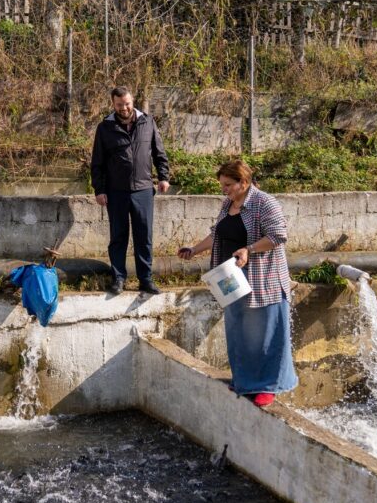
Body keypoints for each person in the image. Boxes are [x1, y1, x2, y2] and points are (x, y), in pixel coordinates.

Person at [177, 159, 297, 407]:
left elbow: (277, 236)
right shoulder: (228, 203)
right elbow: (217, 233)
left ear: (244, 182)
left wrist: (249, 250)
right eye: (222, 185)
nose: (224, 189)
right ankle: (246, 381)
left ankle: (268, 386)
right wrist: (194, 249)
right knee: (240, 332)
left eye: (228, 184)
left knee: (266, 333)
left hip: (263, 280)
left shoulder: (264, 203)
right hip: (231, 279)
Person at [90, 86, 171, 295]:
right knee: (118, 236)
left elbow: (159, 152)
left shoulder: (148, 122)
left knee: (144, 236)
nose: (124, 108)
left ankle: (146, 278)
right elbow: (97, 163)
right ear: (113, 104)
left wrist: (163, 177)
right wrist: (99, 189)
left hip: (143, 190)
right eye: (119, 105)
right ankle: (118, 278)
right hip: (115, 191)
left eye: (127, 103)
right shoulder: (105, 128)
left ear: (132, 101)